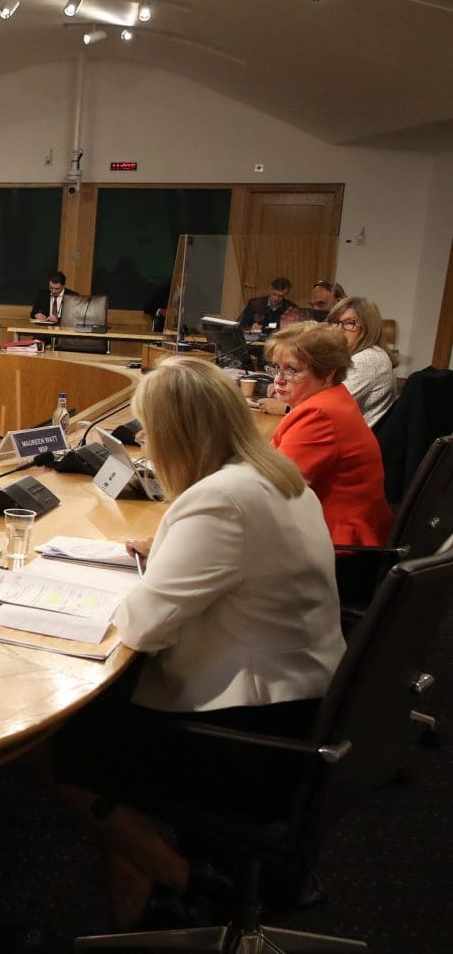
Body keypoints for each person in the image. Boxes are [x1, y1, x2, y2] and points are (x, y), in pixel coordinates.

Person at [51, 356, 343, 930]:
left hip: (248, 734)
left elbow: (140, 627)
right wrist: (168, 554)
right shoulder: (276, 477)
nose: (147, 451)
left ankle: (181, 878)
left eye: (150, 435)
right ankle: (136, 872)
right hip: (304, 709)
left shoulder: (219, 500)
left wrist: (157, 569)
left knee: (61, 745)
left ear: (178, 434)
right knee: (104, 716)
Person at [261, 322, 392, 546]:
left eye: (292, 370)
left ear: (328, 373)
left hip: (338, 546)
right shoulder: (332, 399)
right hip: (335, 532)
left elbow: (272, 487)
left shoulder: (319, 414)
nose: (279, 379)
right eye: (276, 367)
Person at [325, 295, 397, 428]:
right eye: (335, 322)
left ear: (367, 327)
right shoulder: (354, 354)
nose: (338, 330)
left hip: (351, 444)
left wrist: (286, 407)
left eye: (349, 323)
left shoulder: (367, 359)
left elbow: (327, 407)